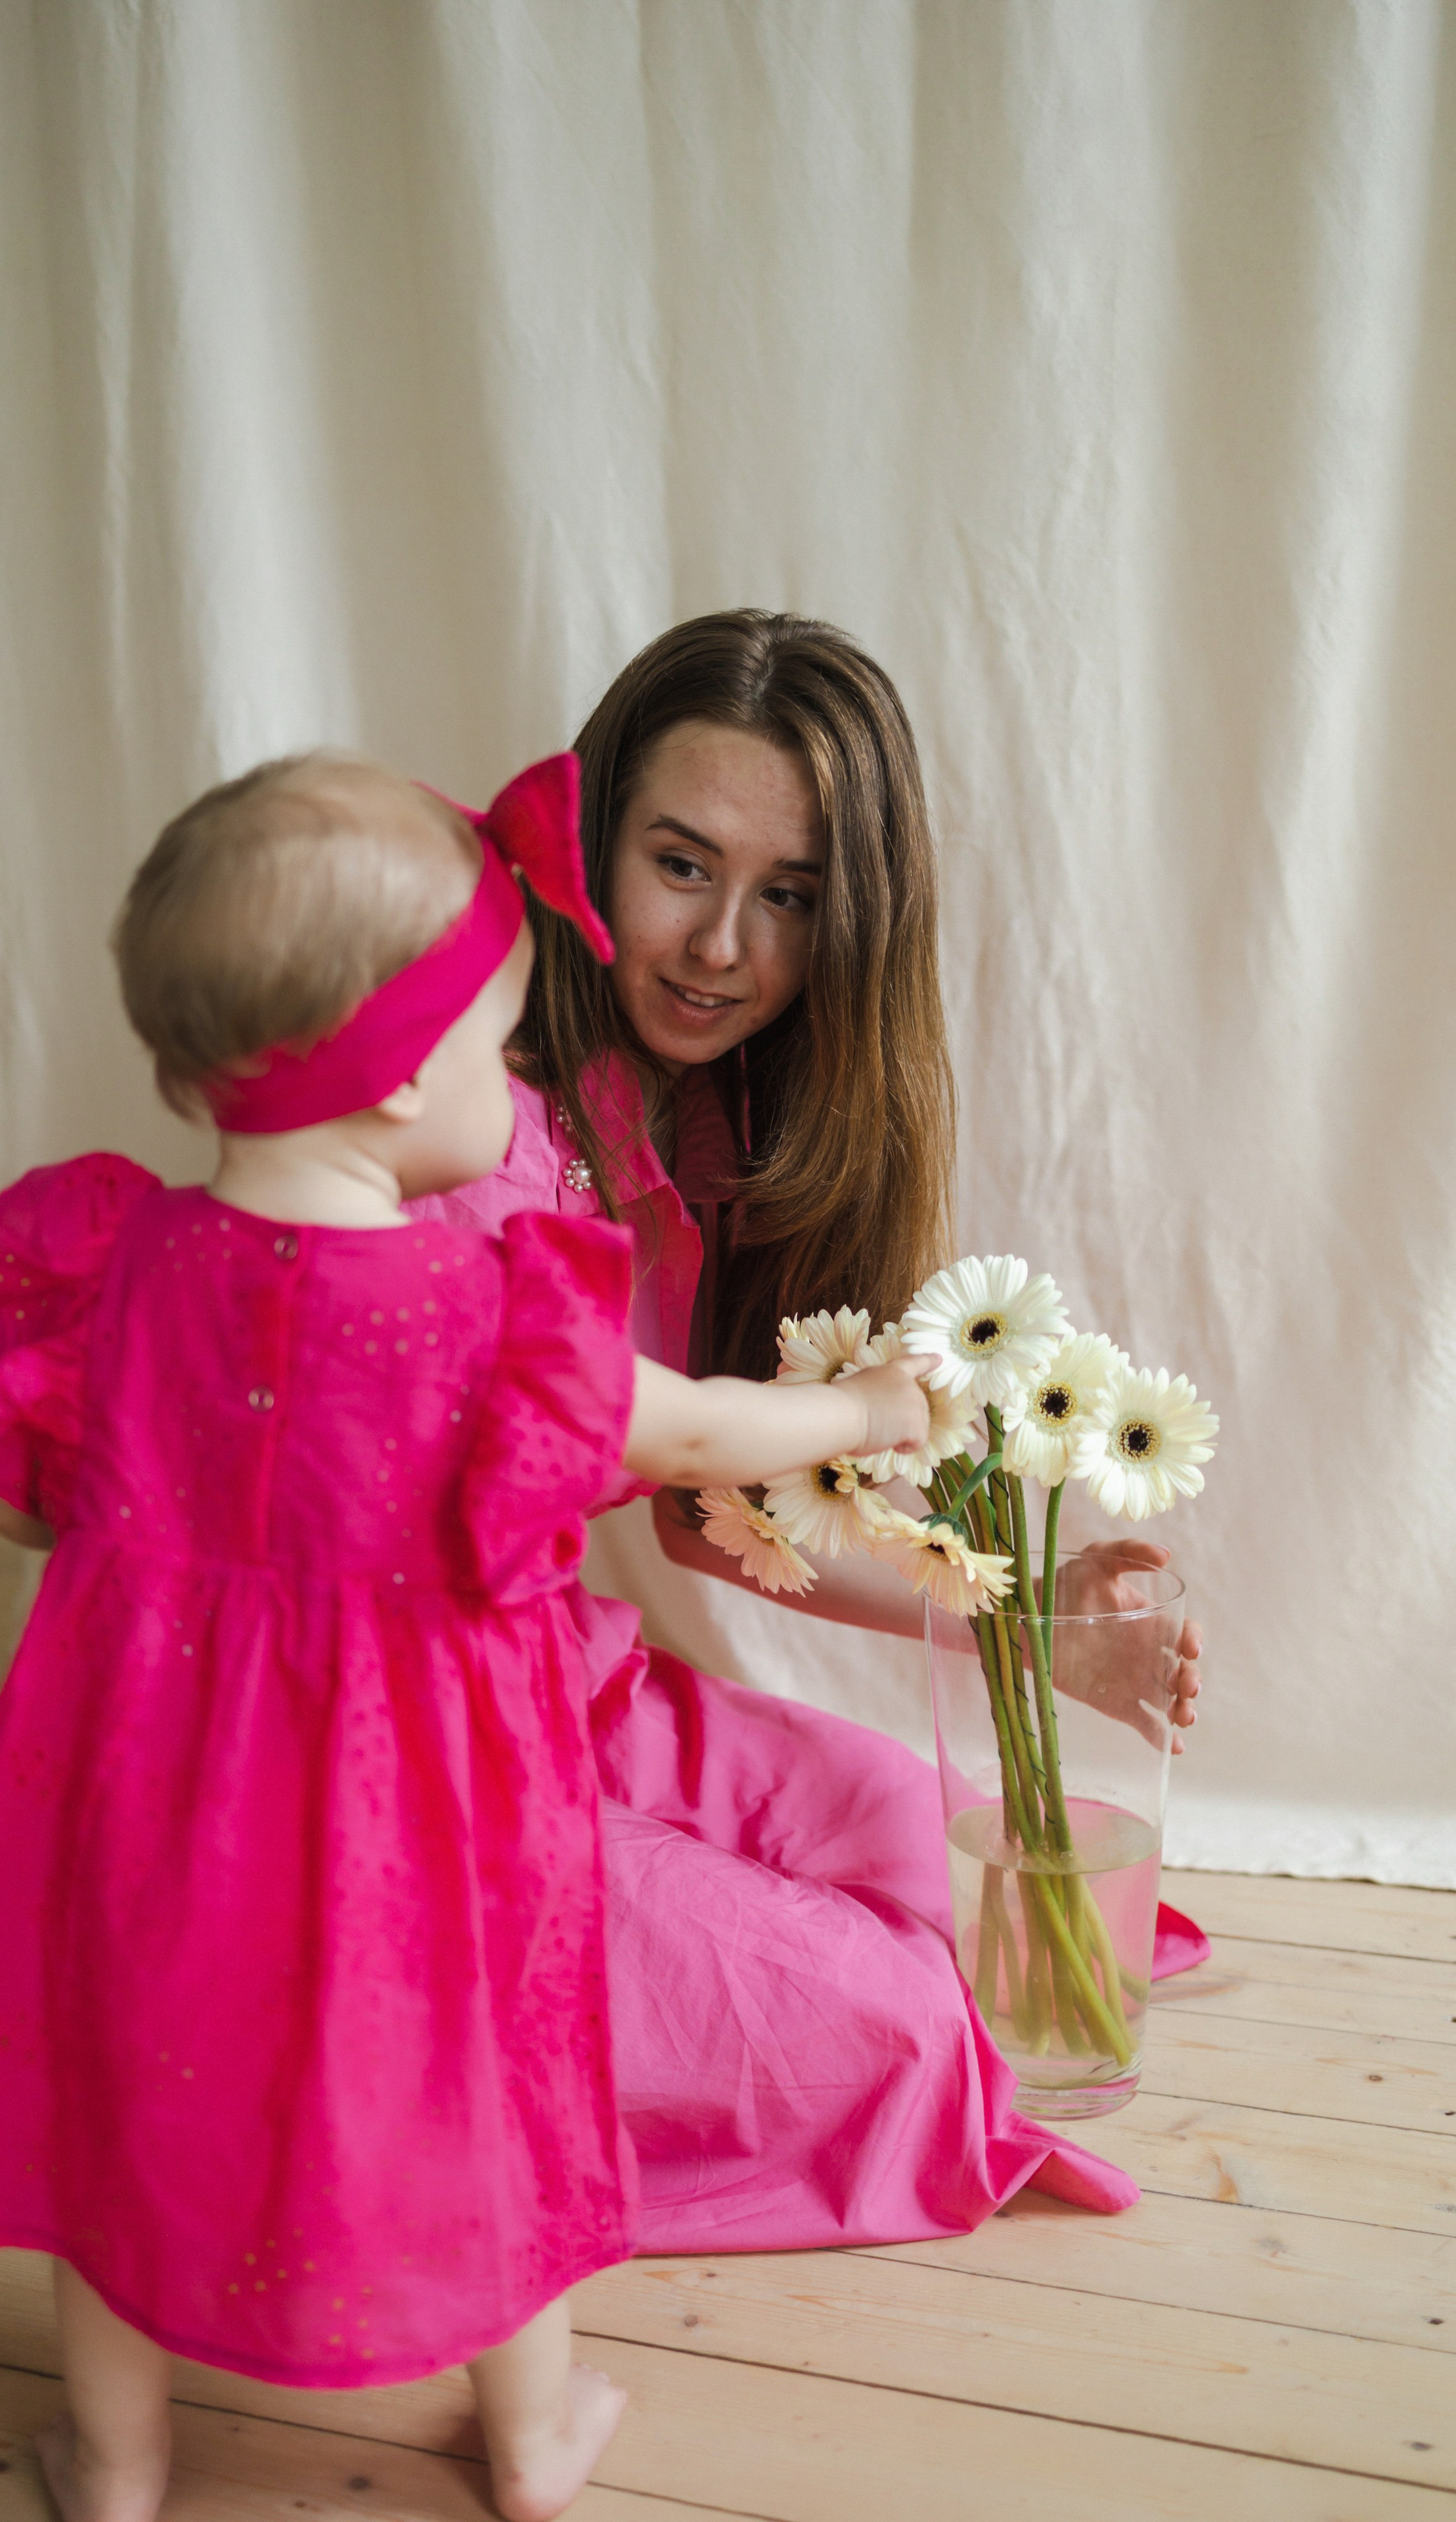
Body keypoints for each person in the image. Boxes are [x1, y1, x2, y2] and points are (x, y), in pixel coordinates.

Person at [0, 749, 944, 2522]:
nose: (512, 1078)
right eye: (494, 1043)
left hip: (145, 1798)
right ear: (394, 1083)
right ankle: (530, 2441)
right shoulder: (482, 1311)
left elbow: (21, 1509)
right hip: (419, 1819)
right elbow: (698, 1434)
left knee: (116, 2102)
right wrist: (871, 1410)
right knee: (484, 2089)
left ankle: (118, 2466)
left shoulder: (113, 1268)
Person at [413, 609, 1209, 2251]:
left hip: (561, 1686)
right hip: (415, 1760)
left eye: (786, 896)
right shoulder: (468, 1126)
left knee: (952, 1878)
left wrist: (1028, 1627)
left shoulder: (702, 1119)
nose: (720, 947)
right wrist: (854, 1407)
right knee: (902, 2030)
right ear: (585, 844)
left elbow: (717, 1517)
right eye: (679, 865)